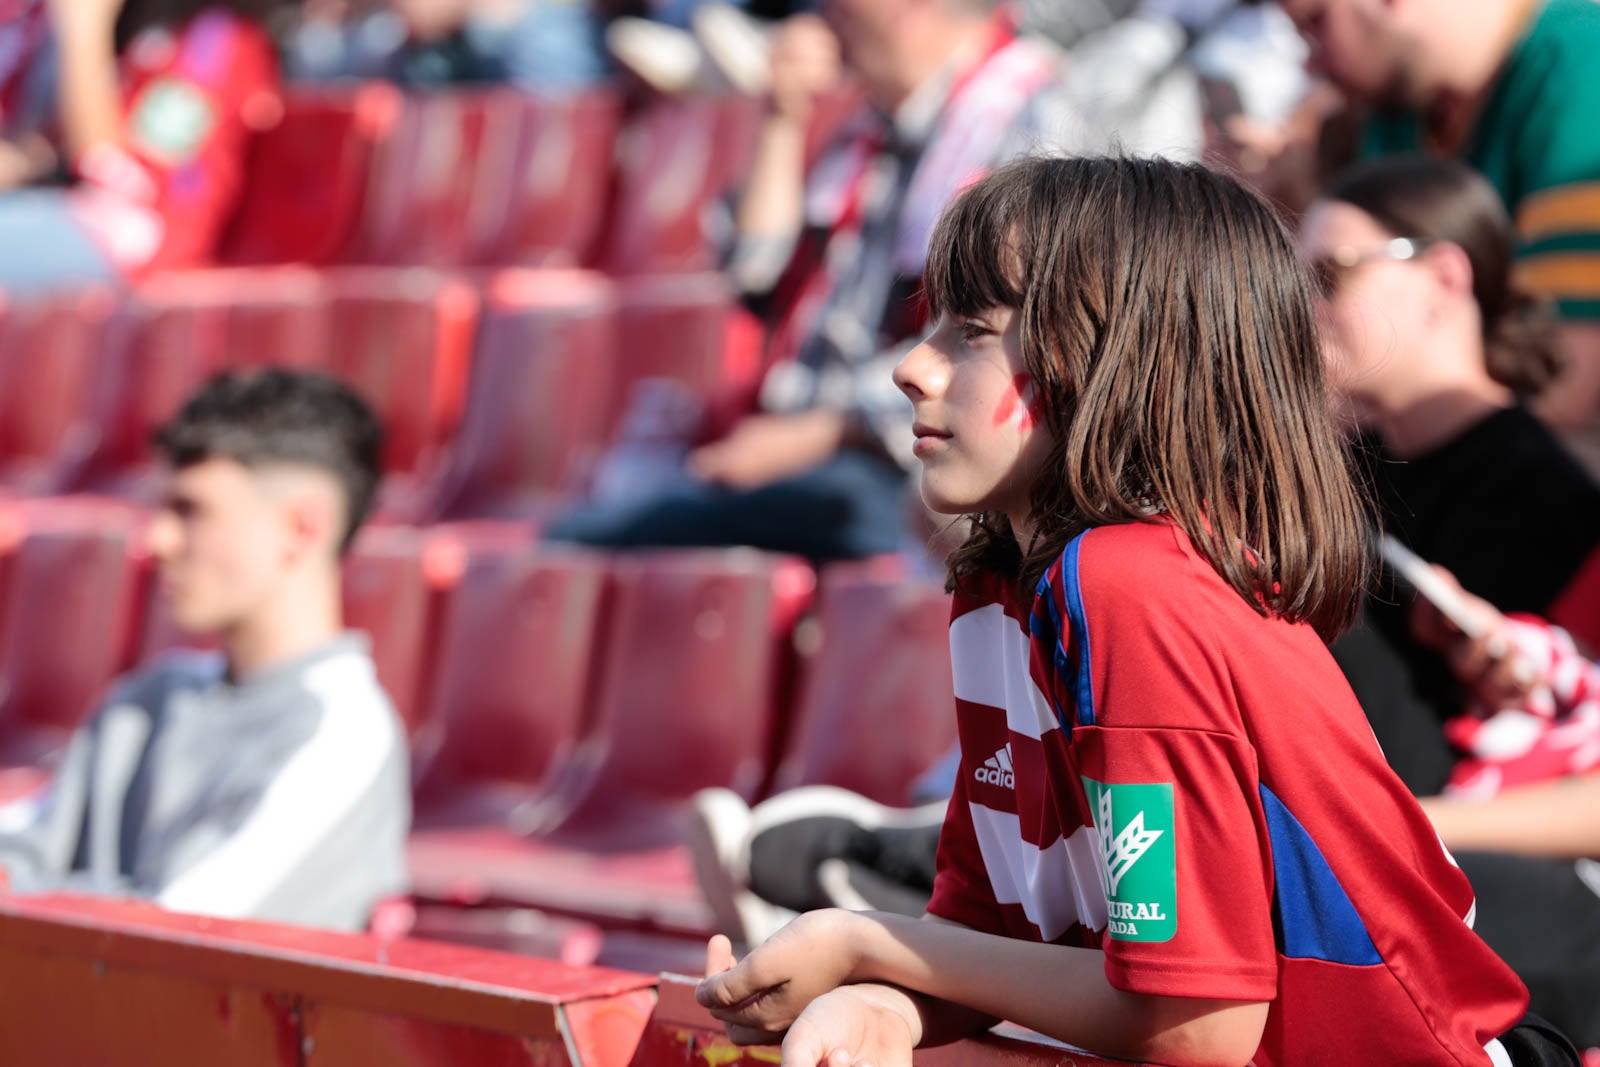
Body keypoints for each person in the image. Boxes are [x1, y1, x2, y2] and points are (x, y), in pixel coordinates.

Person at [694, 156, 1570, 1066]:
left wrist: (866, 942)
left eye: (973, 332)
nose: (911, 369)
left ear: (1116, 359)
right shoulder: (999, 588)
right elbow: (992, 919)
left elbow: (1194, 1023)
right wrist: (888, 1006)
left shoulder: (1129, 586)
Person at [547, 0, 1092, 562]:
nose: (822, 15)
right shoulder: (869, 129)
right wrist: (782, 120)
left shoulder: (1030, 118)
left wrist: (826, 431)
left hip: (914, 461)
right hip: (808, 445)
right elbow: (755, 276)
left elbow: (1014, 337)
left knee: (615, 536)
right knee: (603, 521)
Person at [0, 370, 410, 933]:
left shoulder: (343, 731)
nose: (158, 540)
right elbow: (26, 842)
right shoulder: (147, 698)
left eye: (191, 511)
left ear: (302, 528)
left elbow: (181, 934)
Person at [1298, 155, 1600, 790]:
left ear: (1443, 276)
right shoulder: (1350, 462)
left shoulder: (1544, 498)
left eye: (1330, 276)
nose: (1303, 310)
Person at [1280, 0, 1600, 466]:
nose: (1311, 61)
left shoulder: (1581, 66)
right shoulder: (1399, 103)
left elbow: (1562, 384)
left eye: (1315, 23)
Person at [0, 0, 289, 295]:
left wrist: (83, 26)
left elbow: (112, 168)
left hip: (142, 243)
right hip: (85, 218)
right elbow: (53, 146)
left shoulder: (217, 39)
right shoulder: (146, 31)